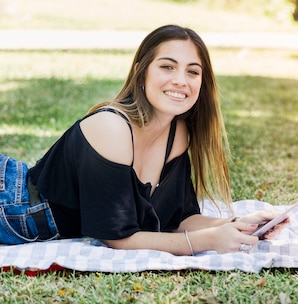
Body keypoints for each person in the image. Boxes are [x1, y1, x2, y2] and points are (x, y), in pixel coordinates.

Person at [0, 24, 281, 255]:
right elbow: (117, 238)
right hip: (11, 206)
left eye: (192, 71)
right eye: (167, 67)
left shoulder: (177, 134)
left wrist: (236, 224)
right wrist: (209, 241)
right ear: (140, 72)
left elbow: (179, 220)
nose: (181, 80)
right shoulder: (111, 128)